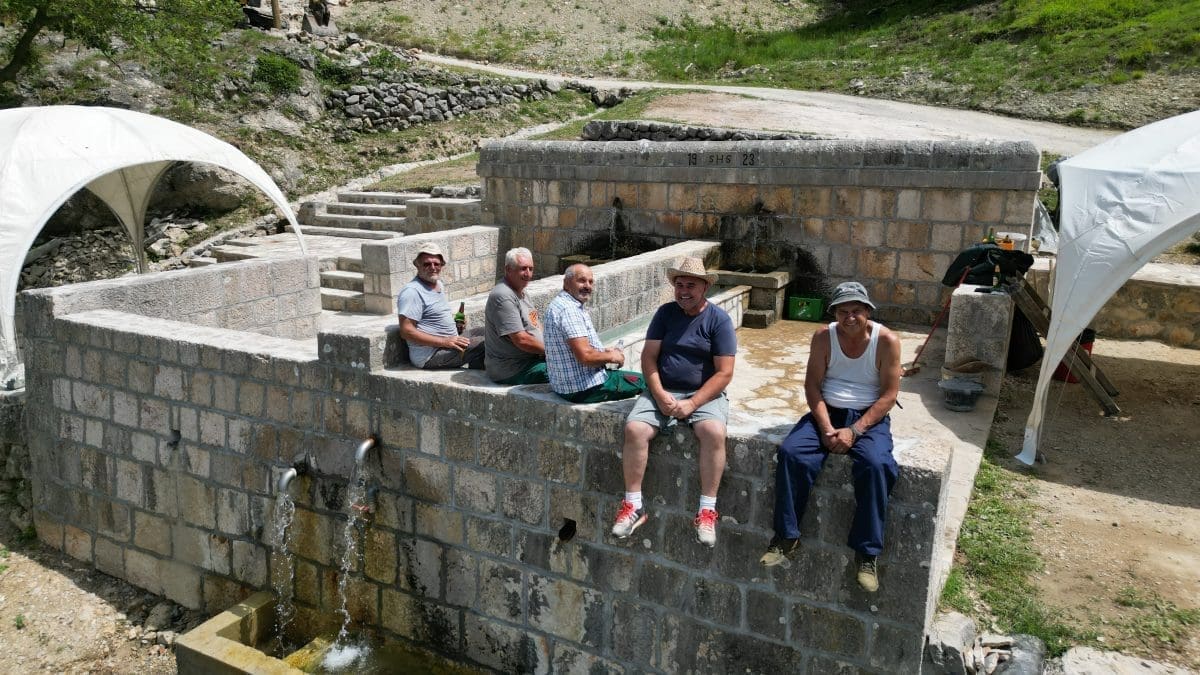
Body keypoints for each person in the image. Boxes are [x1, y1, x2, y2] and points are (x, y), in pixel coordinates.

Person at [759, 281, 901, 594]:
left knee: (877, 465)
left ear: (867, 311)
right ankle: (787, 536)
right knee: (792, 453)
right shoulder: (824, 337)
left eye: (856, 310)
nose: (850, 317)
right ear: (834, 314)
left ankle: (867, 553)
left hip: (868, 417)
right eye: (842, 311)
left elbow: (889, 395)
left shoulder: (886, 341)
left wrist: (855, 430)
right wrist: (825, 427)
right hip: (827, 412)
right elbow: (812, 385)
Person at [612, 257, 736, 547]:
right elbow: (648, 358)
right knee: (635, 429)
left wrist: (693, 403)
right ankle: (634, 506)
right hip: (663, 389)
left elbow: (725, 373)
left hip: (704, 393)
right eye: (679, 285)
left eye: (690, 285)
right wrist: (658, 393)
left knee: (713, 432)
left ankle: (707, 511)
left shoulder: (719, 320)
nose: (683, 291)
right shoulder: (665, 314)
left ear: (704, 287)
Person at [543, 264, 645, 403]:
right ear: (566, 283)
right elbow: (585, 356)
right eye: (582, 280)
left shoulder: (561, 303)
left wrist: (602, 352)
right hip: (585, 388)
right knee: (649, 382)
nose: (587, 286)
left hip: (567, 386)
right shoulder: (569, 310)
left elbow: (578, 348)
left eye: (590, 282)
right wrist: (612, 356)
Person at [396, 242, 484, 370]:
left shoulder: (438, 284)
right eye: (427, 264)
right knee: (486, 342)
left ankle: (478, 367)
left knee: (493, 331)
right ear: (417, 265)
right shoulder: (412, 292)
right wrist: (444, 342)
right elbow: (406, 331)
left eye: (436, 264)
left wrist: (455, 325)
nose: (433, 268)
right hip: (431, 354)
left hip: (450, 341)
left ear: (442, 265)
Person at [485, 247, 549, 384]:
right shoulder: (503, 296)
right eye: (523, 269)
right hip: (513, 368)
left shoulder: (521, 291)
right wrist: (553, 351)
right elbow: (521, 339)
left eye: (531, 269)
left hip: (532, 358)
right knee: (567, 373)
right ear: (508, 269)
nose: (528, 274)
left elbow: (535, 323)